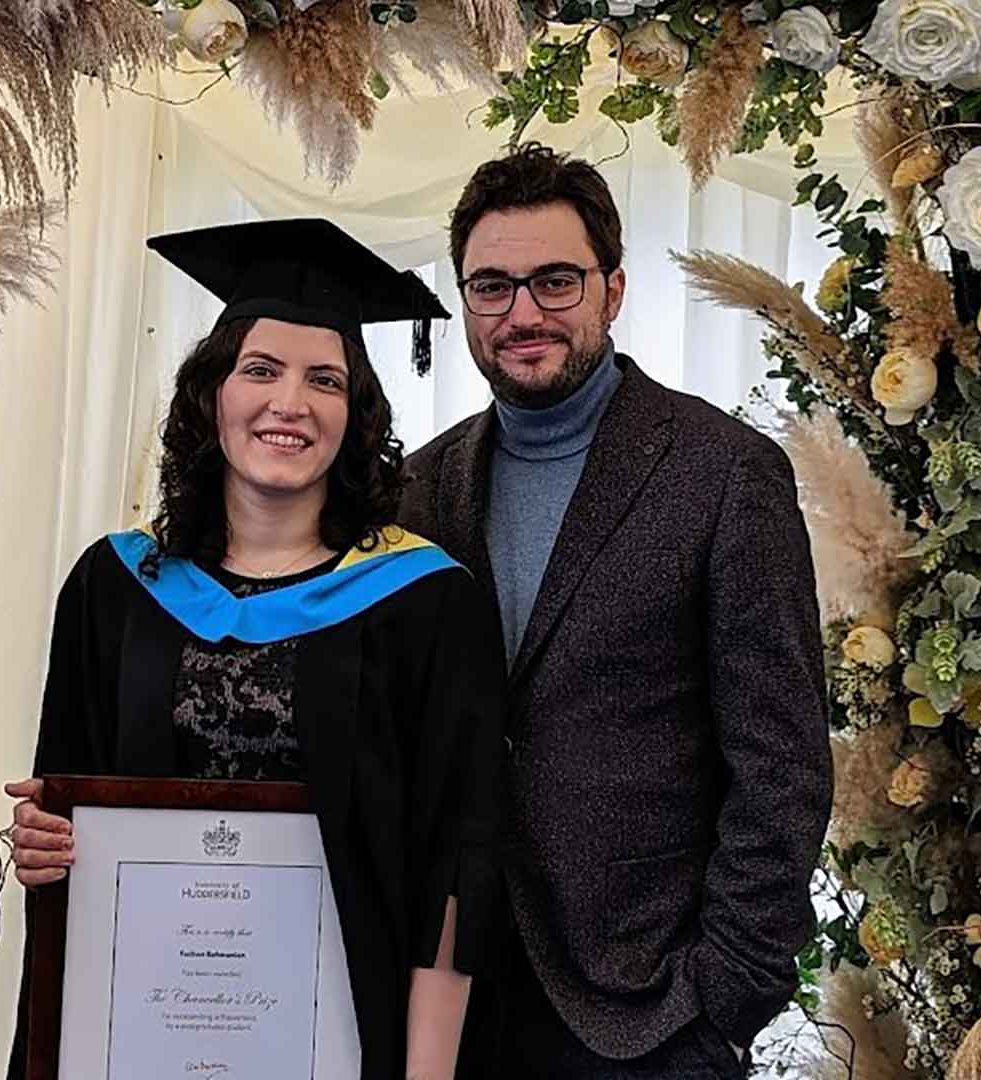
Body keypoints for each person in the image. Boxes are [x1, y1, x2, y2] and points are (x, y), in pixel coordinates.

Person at [3, 218, 506, 1080]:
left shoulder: (427, 602)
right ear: (212, 397)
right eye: (260, 371)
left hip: (345, 1042)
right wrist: (43, 840)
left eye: (325, 380)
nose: (290, 404)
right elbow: (69, 810)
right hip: (134, 1038)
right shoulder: (114, 589)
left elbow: (455, 873)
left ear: (357, 416)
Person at [399, 144, 834, 1078]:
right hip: (447, 1001)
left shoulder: (724, 475)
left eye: (555, 281)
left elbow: (784, 761)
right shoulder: (418, 489)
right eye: (491, 286)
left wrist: (728, 992)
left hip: (650, 1015)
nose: (522, 313)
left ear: (613, 288)